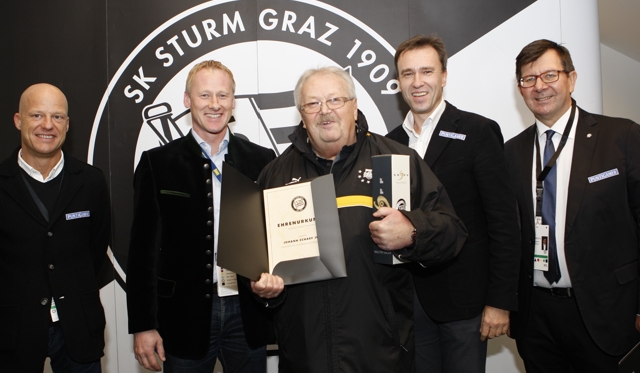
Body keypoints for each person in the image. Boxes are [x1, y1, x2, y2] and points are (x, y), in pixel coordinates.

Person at [249, 66, 468, 372]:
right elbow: (261, 266)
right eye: (313, 104)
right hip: (304, 355)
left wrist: (414, 232)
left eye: (335, 100)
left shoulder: (395, 161)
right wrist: (266, 291)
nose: (325, 111)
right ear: (302, 114)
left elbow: (453, 232)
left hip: (380, 353)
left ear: (354, 107)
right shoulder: (275, 175)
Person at [127, 60, 276, 372]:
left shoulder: (262, 160)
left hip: (246, 311)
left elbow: (274, 236)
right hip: (183, 315)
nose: (214, 105)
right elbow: (141, 252)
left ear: (233, 102)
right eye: (204, 95)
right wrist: (143, 325)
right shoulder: (157, 163)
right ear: (187, 100)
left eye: (223, 96)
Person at [386, 35, 520, 373]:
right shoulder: (389, 143)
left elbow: (504, 222)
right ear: (398, 81)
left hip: (466, 303)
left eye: (426, 71)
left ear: (443, 76)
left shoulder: (477, 132)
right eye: (407, 74)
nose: (417, 83)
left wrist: (499, 302)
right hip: (410, 303)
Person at [506, 39, 640, 372]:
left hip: (608, 312)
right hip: (536, 319)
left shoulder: (620, 137)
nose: (539, 86)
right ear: (520, 89)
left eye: (549, 75)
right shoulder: (510, 154)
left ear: (572, 79)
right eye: (528, 79)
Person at [0, 83, 111, 372]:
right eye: (37, 115)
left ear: (67, 124)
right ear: (18, 120)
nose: (48, 125)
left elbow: (95, 251)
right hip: (14, 333)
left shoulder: (91, 181)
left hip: (78, 328)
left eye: (57, 117)